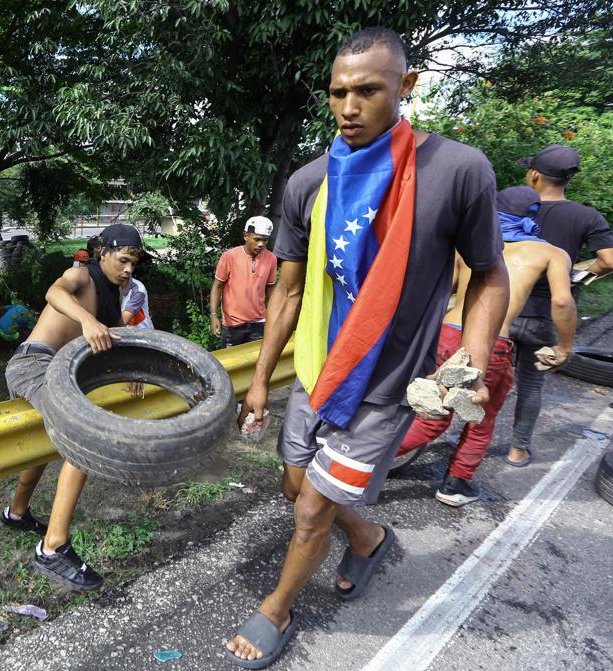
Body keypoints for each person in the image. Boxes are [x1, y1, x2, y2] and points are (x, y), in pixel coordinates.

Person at [226, 27, 509, 668]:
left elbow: (490, 272)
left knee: (312, 510)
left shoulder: (458, 170)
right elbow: (289, 294)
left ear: (406, 87)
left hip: (386, 386)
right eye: (338, 93)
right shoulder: (307, 183)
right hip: (318, 372)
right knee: (293, 483)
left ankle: (277, 609)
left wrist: (473, 356)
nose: (349, 107)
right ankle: (373, 536)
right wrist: (261, 380)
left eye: (368, 91)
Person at [396, 186, 576, 506]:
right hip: (491, 341)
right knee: (479, 416)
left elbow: (439, 288)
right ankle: (454, 483)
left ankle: (364, 458)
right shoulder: (551, 253)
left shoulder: (471, 244)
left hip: (448, 331)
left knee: (436, 411)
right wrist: (564, 347)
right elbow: (562, 302)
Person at [0, 223, 143, 592]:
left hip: (60, 372)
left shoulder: (113, 299)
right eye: (123, 260)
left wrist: (132, 371)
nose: (128, 269)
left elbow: (111, 345)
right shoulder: (82, 275)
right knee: (81, 433)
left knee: (46, 444)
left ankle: (16, 514)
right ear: (104, 253)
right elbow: (54, 292)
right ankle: (52, 547)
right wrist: (86, 318)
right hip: (34, 363)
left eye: (134, 264)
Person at [507, 144, 613, 466]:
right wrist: (578, 273)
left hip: (503, 310)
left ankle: (466, 451)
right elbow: (609, 260)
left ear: (535, 175)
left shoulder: (512, 207)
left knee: (485, 376)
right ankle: (518, 449)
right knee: (531, 382)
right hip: (549, 317)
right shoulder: (586, 215)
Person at [209, 216, 277, 347]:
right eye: (256, 239)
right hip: (232, 324)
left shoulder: (271, 259)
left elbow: (271, 288)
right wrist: (213, 315)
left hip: (259, 322)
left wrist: (274, 315)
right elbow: (217, 286)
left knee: (256, 362)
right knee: (231, 362)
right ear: (246, 236)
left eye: (265, 240)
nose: (261, 244)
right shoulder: (229, 257)